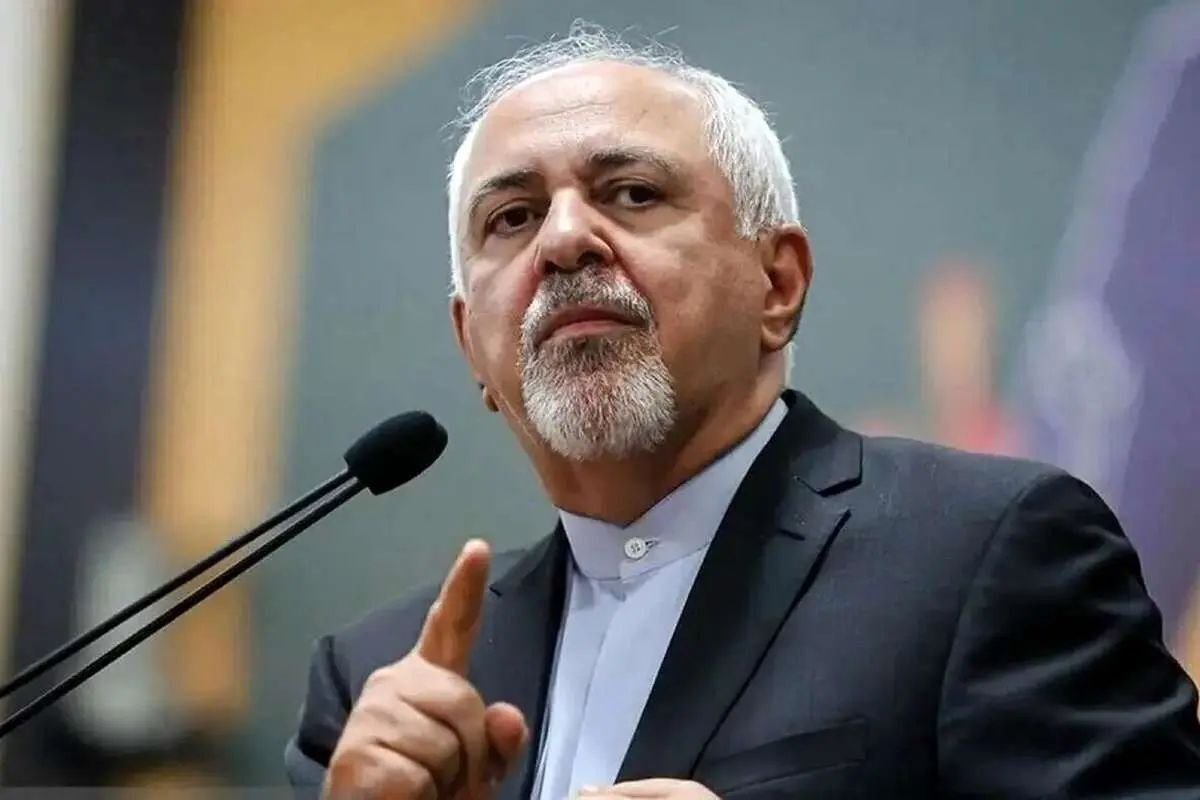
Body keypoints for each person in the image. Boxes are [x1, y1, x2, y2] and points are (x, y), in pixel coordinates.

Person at [285, 26, 1200, 799]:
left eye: (632, 193)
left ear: (778, 283)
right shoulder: (380, 685)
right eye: (513, 218)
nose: (563, 240)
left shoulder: (989, 554)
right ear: (471, 347)